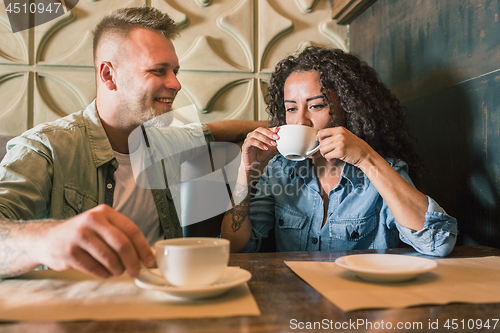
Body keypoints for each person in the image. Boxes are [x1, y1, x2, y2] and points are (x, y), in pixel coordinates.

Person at [0, 6, 266, 279]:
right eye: (158, 71)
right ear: (108, 75)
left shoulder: (166, 141)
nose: (176, 84)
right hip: (77, 309)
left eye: (175, 70)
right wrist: (49, 238)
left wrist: (288, 128)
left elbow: (214, 131)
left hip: (163, 303)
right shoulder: (45, 148)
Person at [221, 46, 458, 256]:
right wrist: (246, 169)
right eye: (291, 109)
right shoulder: (280, 171)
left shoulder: (380, 170)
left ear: (347, 108)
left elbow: (437, 243)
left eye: (316, 106)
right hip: (296, 300)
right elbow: (234, 248)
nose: (301, 121)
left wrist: (366, 158)